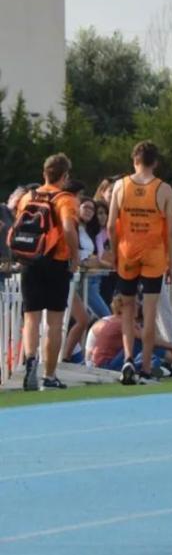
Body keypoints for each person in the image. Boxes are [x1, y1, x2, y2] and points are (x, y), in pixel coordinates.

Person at [108, 141, 172, 385]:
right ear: (155, 162)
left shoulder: (120, 186)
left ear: (134, 160)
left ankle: (128, 358)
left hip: (128, 251)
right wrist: (171, 262)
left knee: (127, 311)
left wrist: (115, 253)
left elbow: (110, 225)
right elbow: (170, 232)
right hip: (154, 254)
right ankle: (145, 367)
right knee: (149, 314)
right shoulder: (164, 189)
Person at [13, 154, 79, 390]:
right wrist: (75, 255)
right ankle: (49, 375)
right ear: (65, 176)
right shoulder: (65, 199)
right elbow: (69, 229)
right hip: (55, 260)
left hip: (30, 260)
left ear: (44, 173)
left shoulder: (28, 197)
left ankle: (30, 359)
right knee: (53, 322)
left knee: (31, 317)